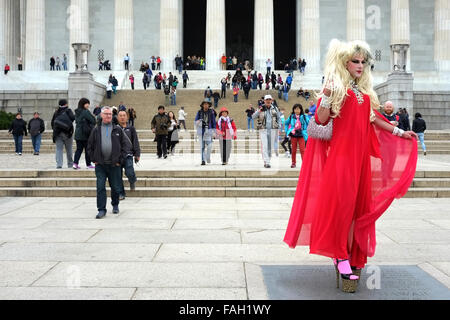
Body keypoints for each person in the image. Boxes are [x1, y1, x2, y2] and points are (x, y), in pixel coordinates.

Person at [284, 39, 418, 293]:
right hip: (342, 160)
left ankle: (348, 253)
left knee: (357, 209)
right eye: (354, 61)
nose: (359, 65)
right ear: (344, 63)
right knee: (344, 208)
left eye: (362, 61)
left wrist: (401, 132)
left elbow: (375, 120)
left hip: (359, 161)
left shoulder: (364, 93)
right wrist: (327, 93)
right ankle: (341, 255)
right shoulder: (337, 89)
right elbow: (321, 120)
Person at [87, 106, 128, 219]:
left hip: (114, 164)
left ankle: (115, 204)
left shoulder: (117, 129)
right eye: (106, 114)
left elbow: (125, 146)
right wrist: (93, 159)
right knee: (100, 187)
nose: (108, 116)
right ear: (101, 115)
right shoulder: (96, 129)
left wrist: (121, 160)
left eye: (110, 114)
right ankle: (101, 209)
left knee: (115, 187)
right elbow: (89, 146)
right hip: (100, 165)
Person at [252, 95, 281, 168]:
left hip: (273, 129)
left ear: (272, 100)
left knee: (269, 147)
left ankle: (268, 160)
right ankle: (266, 162)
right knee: (265, 146)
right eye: (266, 100)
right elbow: (253, 117)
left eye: (269, 99)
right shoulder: (260, 108)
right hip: (263, 130)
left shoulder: (275, 108)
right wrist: (259, 110)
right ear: (264, 101)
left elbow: (279, 118)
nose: (268, 101)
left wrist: (279, 127)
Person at [117, 110, 140, 199]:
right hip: (117, 156)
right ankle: (121, 193)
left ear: (127, 117)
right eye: (120, 115)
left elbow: (135, 141)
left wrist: (137, 154)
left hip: (128, 154)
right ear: (117, 117)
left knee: (129, 172)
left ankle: (132, 180)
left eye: (124, 115)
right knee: (118, 176)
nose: (122, 117)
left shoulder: (131, 129)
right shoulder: (115, 128)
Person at [51, 99, 75, 169]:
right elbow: (73, 118)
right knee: (69, 149)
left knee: (59, 149)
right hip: (68, 133)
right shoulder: (68, 110)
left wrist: (56, 130)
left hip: (58, 134)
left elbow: (53, 123)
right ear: (66, 104)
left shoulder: (56, 112)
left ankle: (59, 164)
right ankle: (70, 164)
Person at [73, 98, 96, 169]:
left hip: (78, 133)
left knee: (79, 149)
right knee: (87, 149)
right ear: (83, 104)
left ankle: (75, 163)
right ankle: (88, 164)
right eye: (87, 103)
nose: (88, 105)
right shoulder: (85, 112)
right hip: (85, 133)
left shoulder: (77, 112)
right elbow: (93, 120)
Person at [285, 104, 309, 168]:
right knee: (293, 150)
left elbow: (309, 123)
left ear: (301, 109)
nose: (296, 110)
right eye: (295, 109)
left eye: (298, 109)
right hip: (293, 135)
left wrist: (306, 131)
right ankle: (293, 163)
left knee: (302, 150)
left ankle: (304, 163)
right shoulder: (291, 117)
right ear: (293, 110)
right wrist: (287, 131)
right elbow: (286, 123)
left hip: (302, 135)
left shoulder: (304, 116)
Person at [195, 100, 216, 165]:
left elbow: (213, 122)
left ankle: (207, 156)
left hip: (209, 130)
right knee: (202, 147)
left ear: (209, 105)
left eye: (207, 104)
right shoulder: (199, 112)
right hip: (201, 130)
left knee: (209, 145)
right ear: (202, 105)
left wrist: (214, 131)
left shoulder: (211, 112)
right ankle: (203, 160)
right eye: (204, 104)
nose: (206, 105)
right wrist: (198, 121)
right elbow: (196, 120)